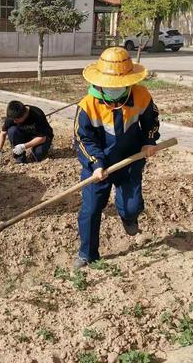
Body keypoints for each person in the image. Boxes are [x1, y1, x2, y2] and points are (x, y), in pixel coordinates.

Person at [73, 46, 160, 269]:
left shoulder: (141, 95)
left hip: (130, 160)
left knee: (132, 206)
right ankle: (87, 254)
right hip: (98, 166)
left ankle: (129, 217)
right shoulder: (88, 106)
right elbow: (83, 139)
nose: (114, 89)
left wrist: (149, 141)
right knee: (91, 209)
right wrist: (96, 164)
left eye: (120, 85)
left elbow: (152, 121)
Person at [0, 100, 54, 165]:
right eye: (13, 119)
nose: (14, 121)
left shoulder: (37, 115)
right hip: (25, 134)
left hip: (40, 137)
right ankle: (20, 158)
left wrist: (24, 146)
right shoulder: (13, 116)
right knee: (12, 130)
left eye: (16, 120)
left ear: (24, 115)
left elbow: (42, 138)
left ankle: (47, 146)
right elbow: (3, 133)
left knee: (38, 155)